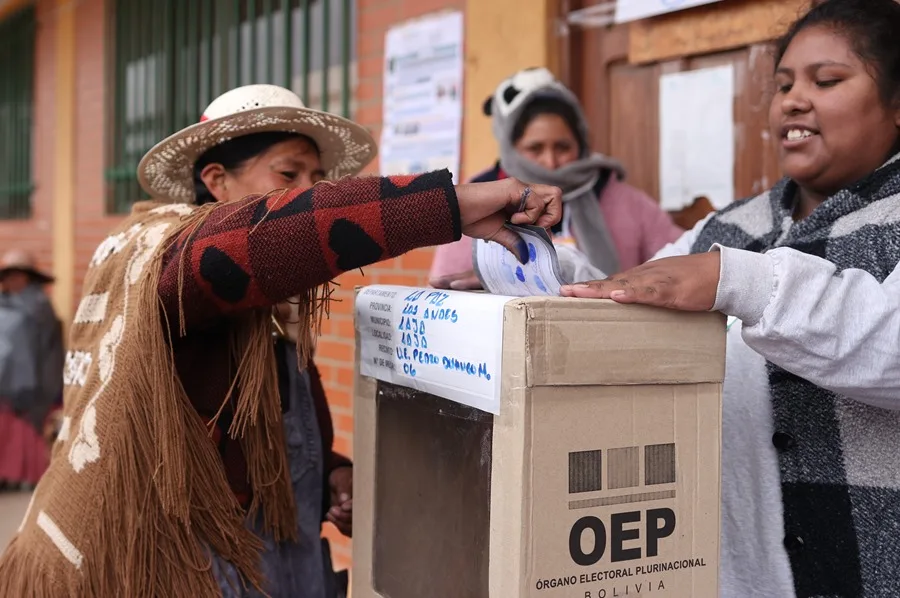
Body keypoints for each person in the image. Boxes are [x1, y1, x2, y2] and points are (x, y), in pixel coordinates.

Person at [0, 84, 562, 597]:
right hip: (186, 563)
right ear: (217, 181)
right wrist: (451, 207)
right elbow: (260, 237)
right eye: (288, 175)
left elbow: (273, 416)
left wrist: (328, 474)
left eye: (318, 181)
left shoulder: (269, 304)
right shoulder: (174, 263)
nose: (308, 194)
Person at [563, 1, 900, 596]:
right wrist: (547, 267)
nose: (793, 100)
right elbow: (637, 297)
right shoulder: (730, 227)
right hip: (739, 575)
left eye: (826, 81)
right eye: (783, 84)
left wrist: (738, 282)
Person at [429, 67, 682, 290]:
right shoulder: (478, 198)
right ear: (510, 147)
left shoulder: (625, 201)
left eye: (562, 147)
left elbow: (682, 263)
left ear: (581, 144)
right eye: (535, 148)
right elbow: (447, 285)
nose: (550, 162)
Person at [0, 249, 63, 492]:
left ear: (29, 278)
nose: (11, 281)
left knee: (28, 434)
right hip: (5, 384)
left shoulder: (39, 308)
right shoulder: (3, 306)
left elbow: (49, 349)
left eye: (18, 275)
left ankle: (29, 478)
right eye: (8, 276)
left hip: (34, 384)